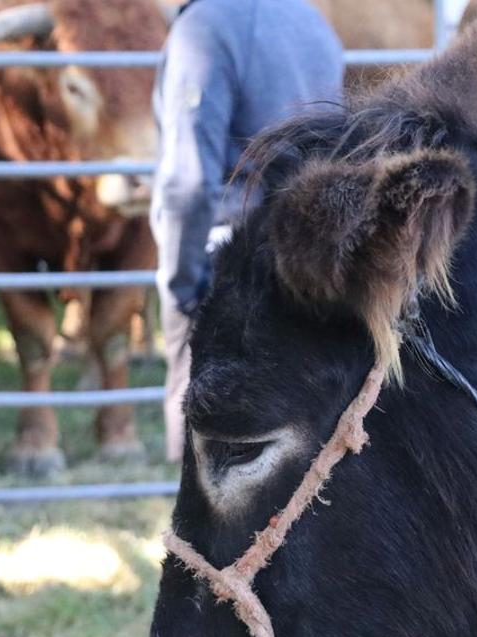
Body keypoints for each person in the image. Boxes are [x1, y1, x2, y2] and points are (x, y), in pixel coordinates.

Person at [152, 0, 344, 462]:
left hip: (228, 266)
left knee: (207, 455)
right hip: (306, 265)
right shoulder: (311, 23)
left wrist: (180, 286)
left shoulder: (206, 26)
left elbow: (188, 181)